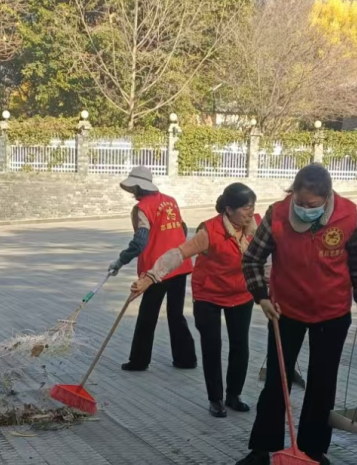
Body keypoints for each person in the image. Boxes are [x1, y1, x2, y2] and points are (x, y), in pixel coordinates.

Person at [235, 164, 357, 465]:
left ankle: (313, 451)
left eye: (312, 205)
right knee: (277, 381)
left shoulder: (348, 215)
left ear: (327, 198)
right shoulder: (278, 214)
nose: (304, 209)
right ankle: (262, 450)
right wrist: (261, 296)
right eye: (300, 202)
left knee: (322, 384)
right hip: (286, 312)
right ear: (293, 193)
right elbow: (253, 259)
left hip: (333, 312)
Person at [131, 183, 260, 418]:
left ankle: (234, 395)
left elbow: (269, 257)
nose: (250, 213)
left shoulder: (255, 226)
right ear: (229, 209)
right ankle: (216, 399)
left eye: (252, 207)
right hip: (208, 293)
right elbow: (178, 254)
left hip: (241, 293)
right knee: (212, 345)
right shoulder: (210, 231)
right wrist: (151, 276)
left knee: (240, 345)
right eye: (245, 208)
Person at [109, 166, 197, 372]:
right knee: (175, 313)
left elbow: (140, 242)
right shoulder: (170, 200)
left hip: (156, 269)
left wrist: (120, 261)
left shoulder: (143, 208)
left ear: (137, 187)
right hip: (179, 263)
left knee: (148, 314)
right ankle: (186, 359)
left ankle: (139, 361)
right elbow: (182, 228)